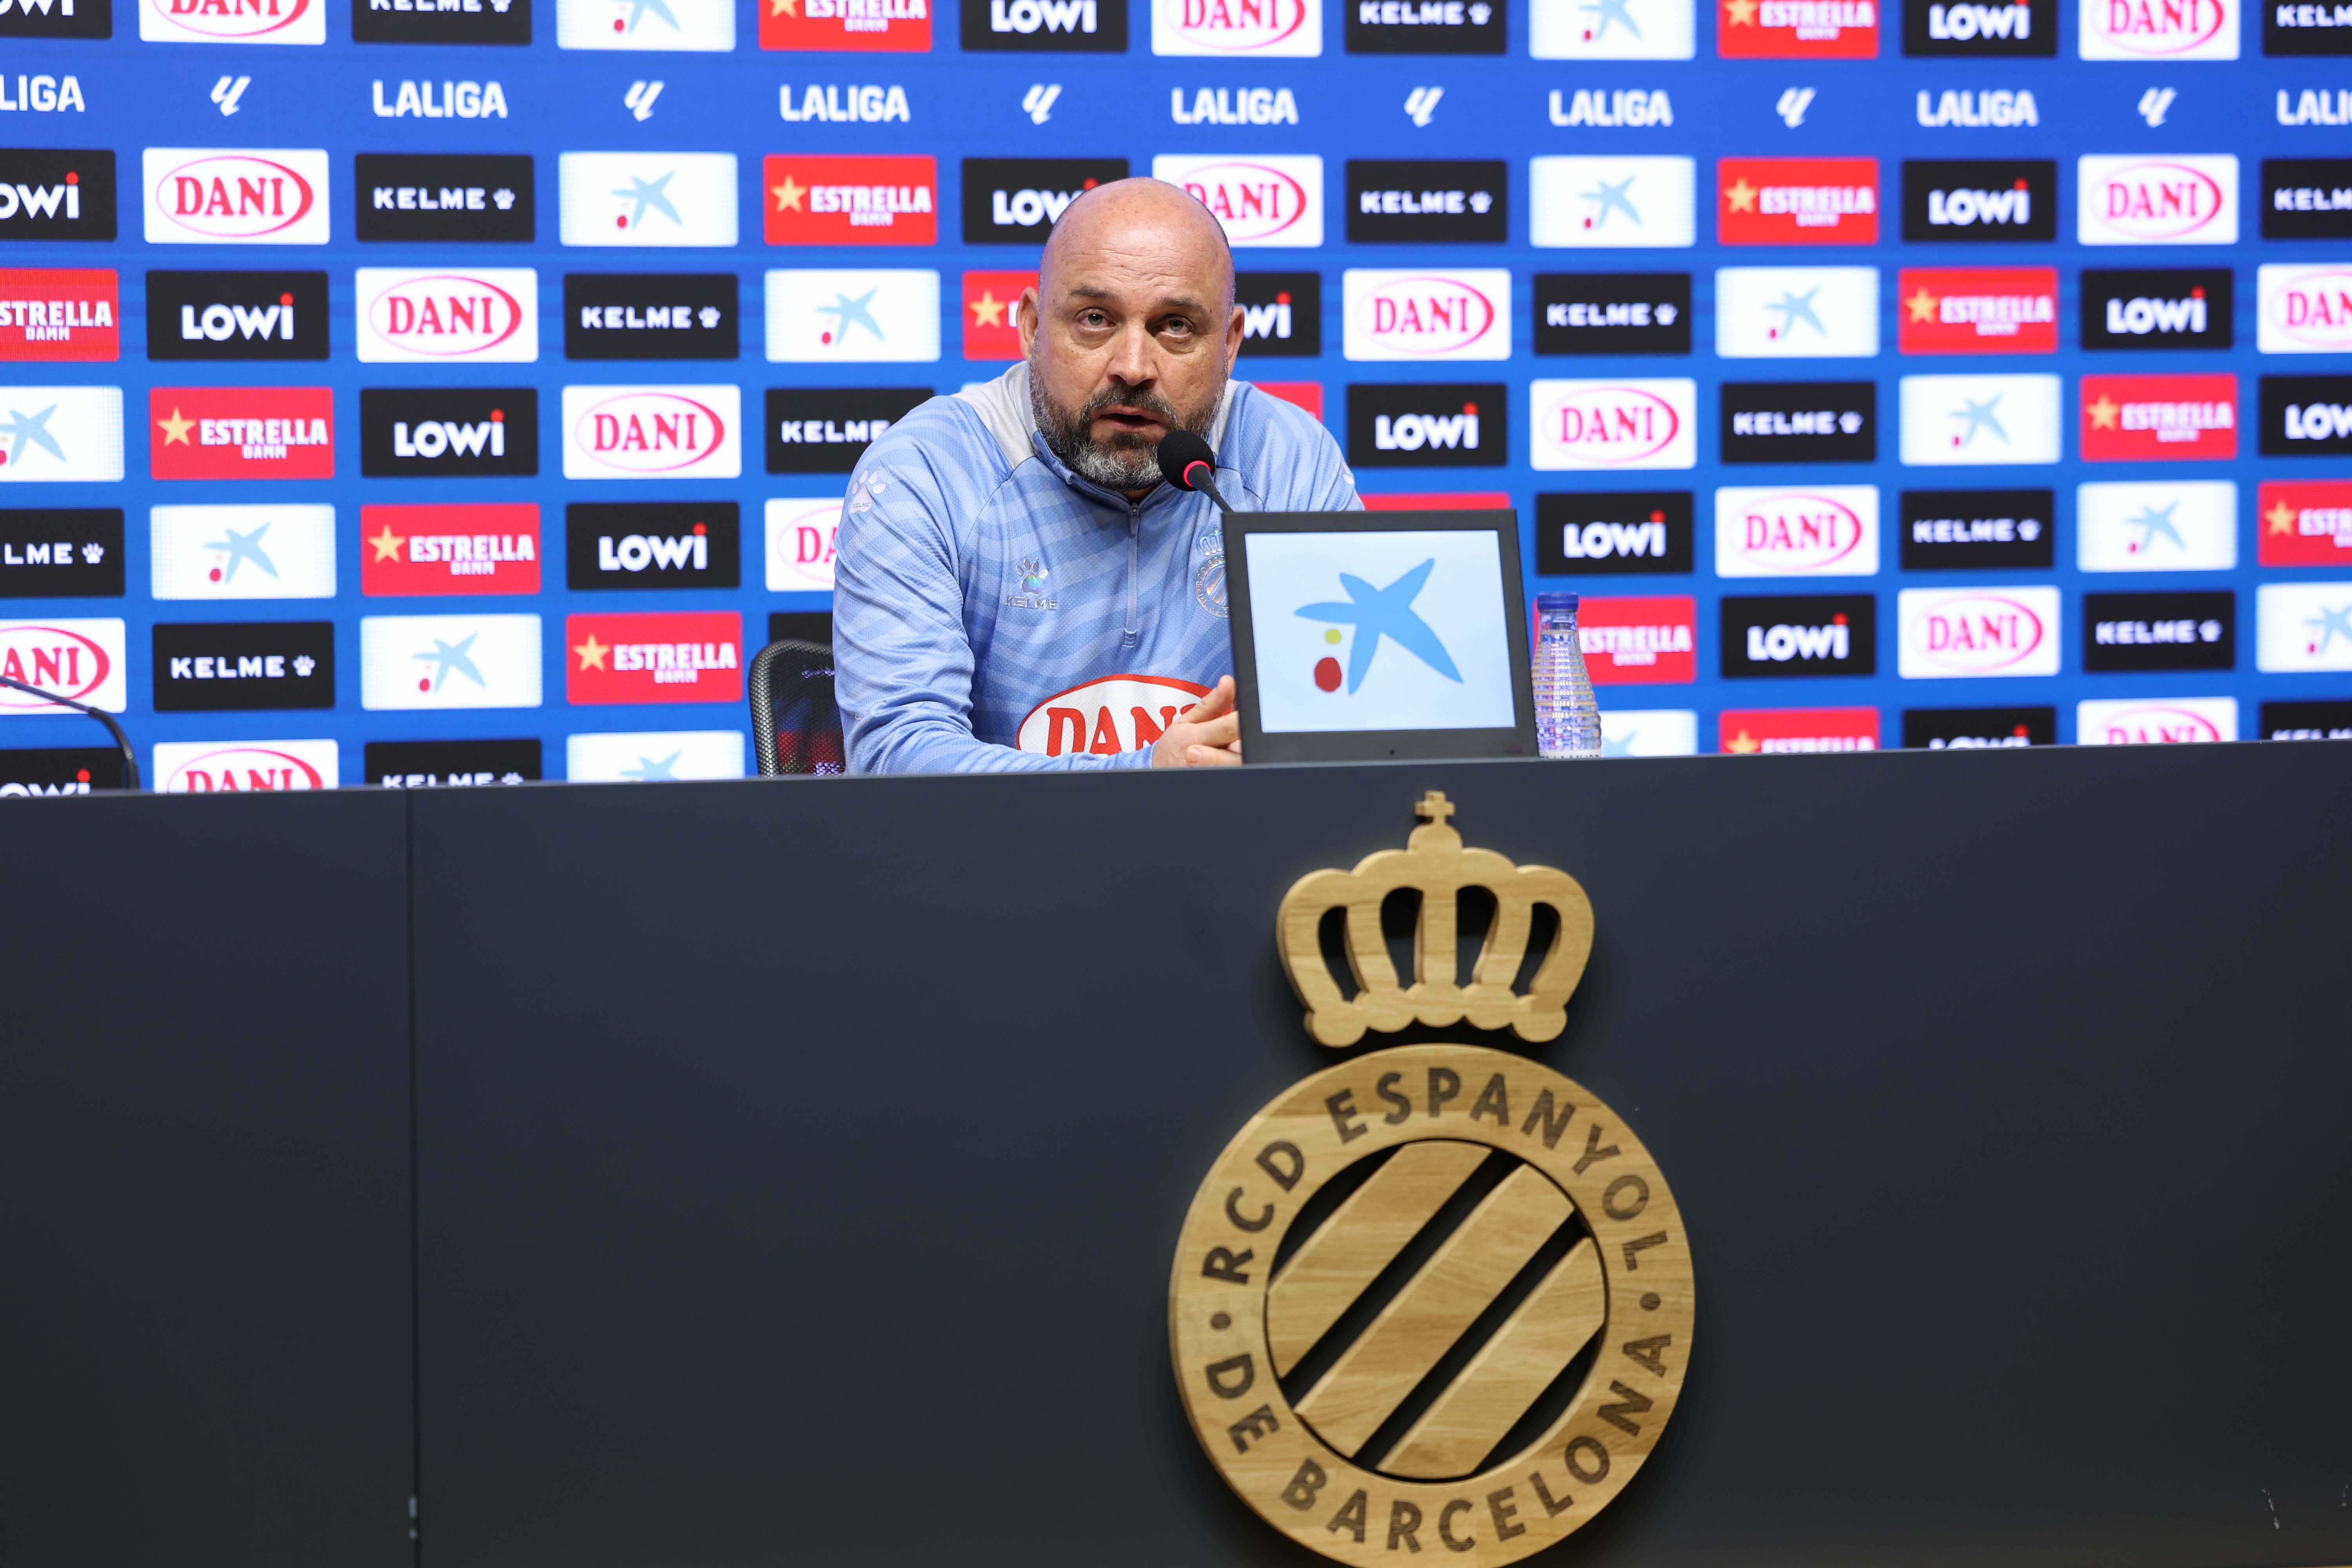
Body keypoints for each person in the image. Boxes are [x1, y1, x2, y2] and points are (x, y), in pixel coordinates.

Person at [832, 177, 1361, 773]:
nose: (1133, 368)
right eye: (1095, 319)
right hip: (1001, 840)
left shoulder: (1285, 458)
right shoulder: (929, 469)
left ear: (1231, 344)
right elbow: (896, 758)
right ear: (1032, 327)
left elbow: (1359, 717)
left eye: (1176, 327)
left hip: (1237, 833)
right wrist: (1148, 778)